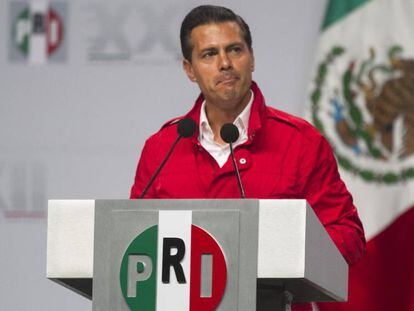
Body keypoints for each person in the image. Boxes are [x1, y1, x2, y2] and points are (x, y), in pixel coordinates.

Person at [130, 5, 365, 310]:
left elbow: (347, 234)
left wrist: (284, 253)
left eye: (235, 50)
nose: (225, 63)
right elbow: (135, 240)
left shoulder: (301, 142)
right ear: (189, 69)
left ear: (252, 58)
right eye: (209, 54)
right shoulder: (163, 147)